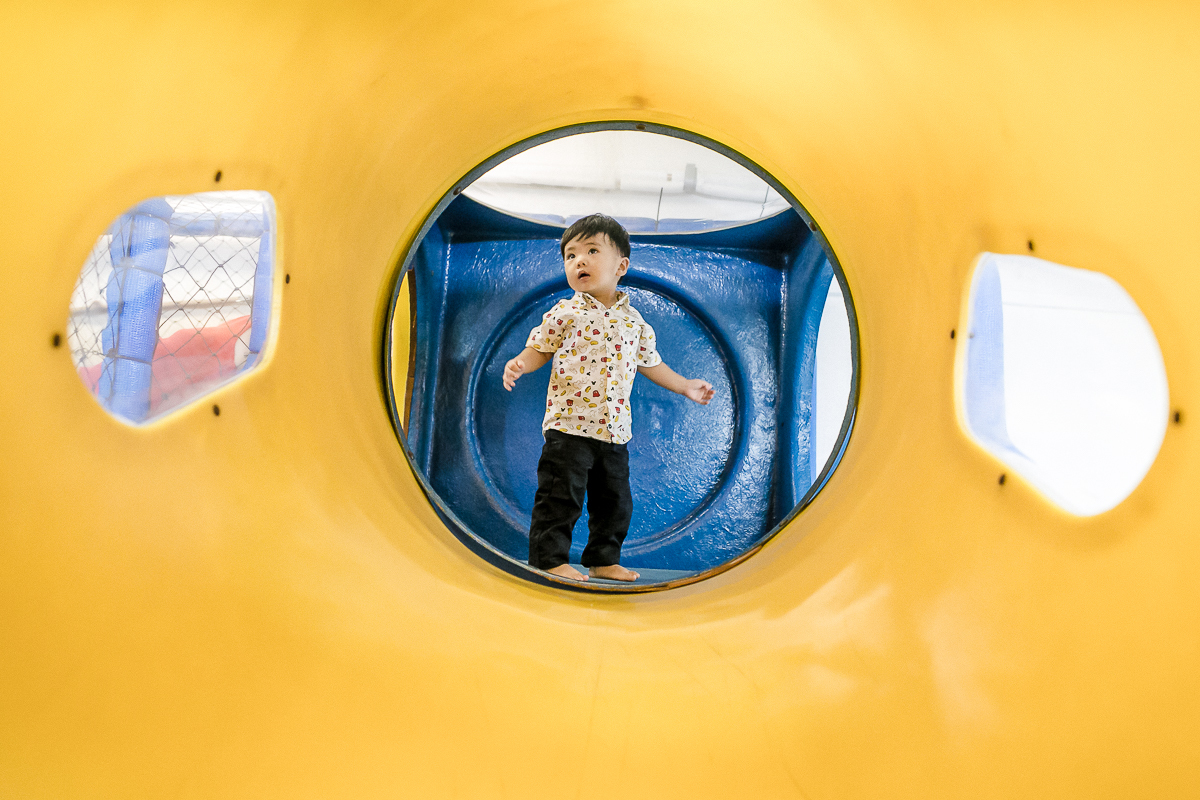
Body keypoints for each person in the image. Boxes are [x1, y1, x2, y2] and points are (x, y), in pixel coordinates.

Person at [502, 214, 715, 582]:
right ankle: (548, 560)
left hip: (615, 431)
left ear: (621, 266)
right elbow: (539, 347)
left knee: (615, 502)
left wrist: (684, 386)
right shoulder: (565, 313)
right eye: (570, 255)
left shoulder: (635, 322)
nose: (579, 260)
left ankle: (603, 559)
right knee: (560, 497)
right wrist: (520, 363)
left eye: (591, 250)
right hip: (568, 428)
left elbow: (652, 363)